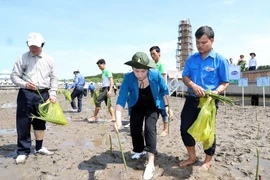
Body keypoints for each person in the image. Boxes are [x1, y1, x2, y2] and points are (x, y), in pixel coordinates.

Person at [113, 52, 172, 180]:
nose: (139, 74)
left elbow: (163, 91)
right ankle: (140, 150)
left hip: (153, 105)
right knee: (135, 130)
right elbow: (121, 99)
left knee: (150, 129)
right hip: (137, 104)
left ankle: (150, 163)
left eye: (143, 71)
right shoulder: (128, 78)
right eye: (136, 71)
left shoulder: (155, 75)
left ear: (148, 68)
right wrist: (118, 121)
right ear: (132, 69)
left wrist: (167, 106)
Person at [180, 26, 229, 171]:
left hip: (209, 102)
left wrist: (215, 92)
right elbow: (185, 77)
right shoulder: (192, 59)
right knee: (185, 129)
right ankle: (192, 157)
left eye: (203, 42)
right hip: (191, 99)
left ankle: (208, 160)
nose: (200, 46)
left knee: (208, 132)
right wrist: (193, 86)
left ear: (212, 40)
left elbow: (225, 82)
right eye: (197, 43)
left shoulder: (220, 60)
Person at [10, 32, 58, 164]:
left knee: (40, 122)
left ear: (42, 45)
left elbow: (54, 78)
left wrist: (53, 94)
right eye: (30, 46)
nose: (33, 48)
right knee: (23, 122)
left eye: (36, 46)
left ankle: (39, 147)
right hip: (26, 93)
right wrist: (25, 84)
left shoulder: (49, 60)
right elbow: (14, 76)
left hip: (43, 94)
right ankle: (23, 151)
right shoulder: (22, 58)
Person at [150, 46, 169, 137]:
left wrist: (163, 91)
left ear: (159, 53)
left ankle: (165, 129)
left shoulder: (161, 65)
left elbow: (163, 79)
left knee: (164, 110)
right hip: (153, 91)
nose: (152, 56)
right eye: (151, 54)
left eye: (154, 53)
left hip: (160, 91)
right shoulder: (152, 65)